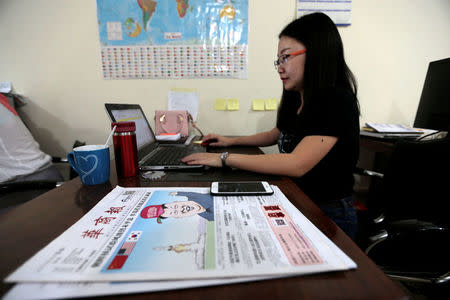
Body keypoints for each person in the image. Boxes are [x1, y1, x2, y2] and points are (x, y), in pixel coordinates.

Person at [182, 12, 360, 239]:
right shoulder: (297, 95)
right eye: (278, 60)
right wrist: (230, 140)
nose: (279, 67)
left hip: (328, 212)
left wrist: (224, 158)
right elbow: (275, 134)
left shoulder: (337, 100)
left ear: (317, 53)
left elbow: (297, 164)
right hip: (298, 196)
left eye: (286, 57)